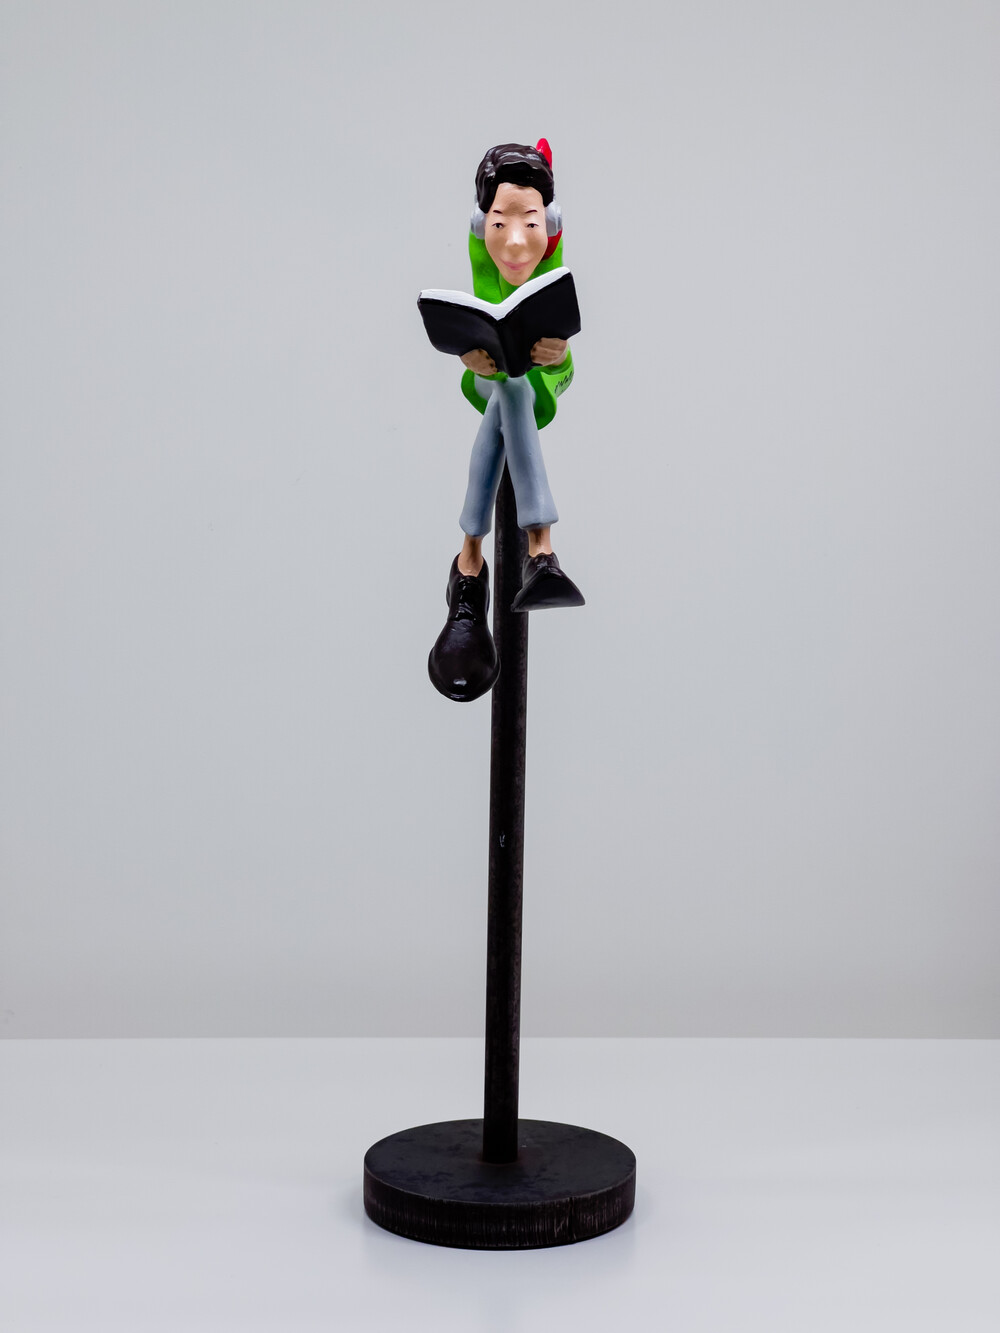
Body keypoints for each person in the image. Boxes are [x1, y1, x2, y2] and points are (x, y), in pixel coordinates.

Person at [428, 141, 584, 703]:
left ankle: (469, 570)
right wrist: (470, 353)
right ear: (482, 225)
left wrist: (558, 358)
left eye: (530, 224)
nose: (515, 241)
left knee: (516, 393)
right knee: (505, 389)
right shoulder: (482, 261)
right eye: (498, 224)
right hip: (487, 383)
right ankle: (541, 551)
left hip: (531, 394)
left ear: (551, 225)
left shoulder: (552, 275)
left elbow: (565, 377)